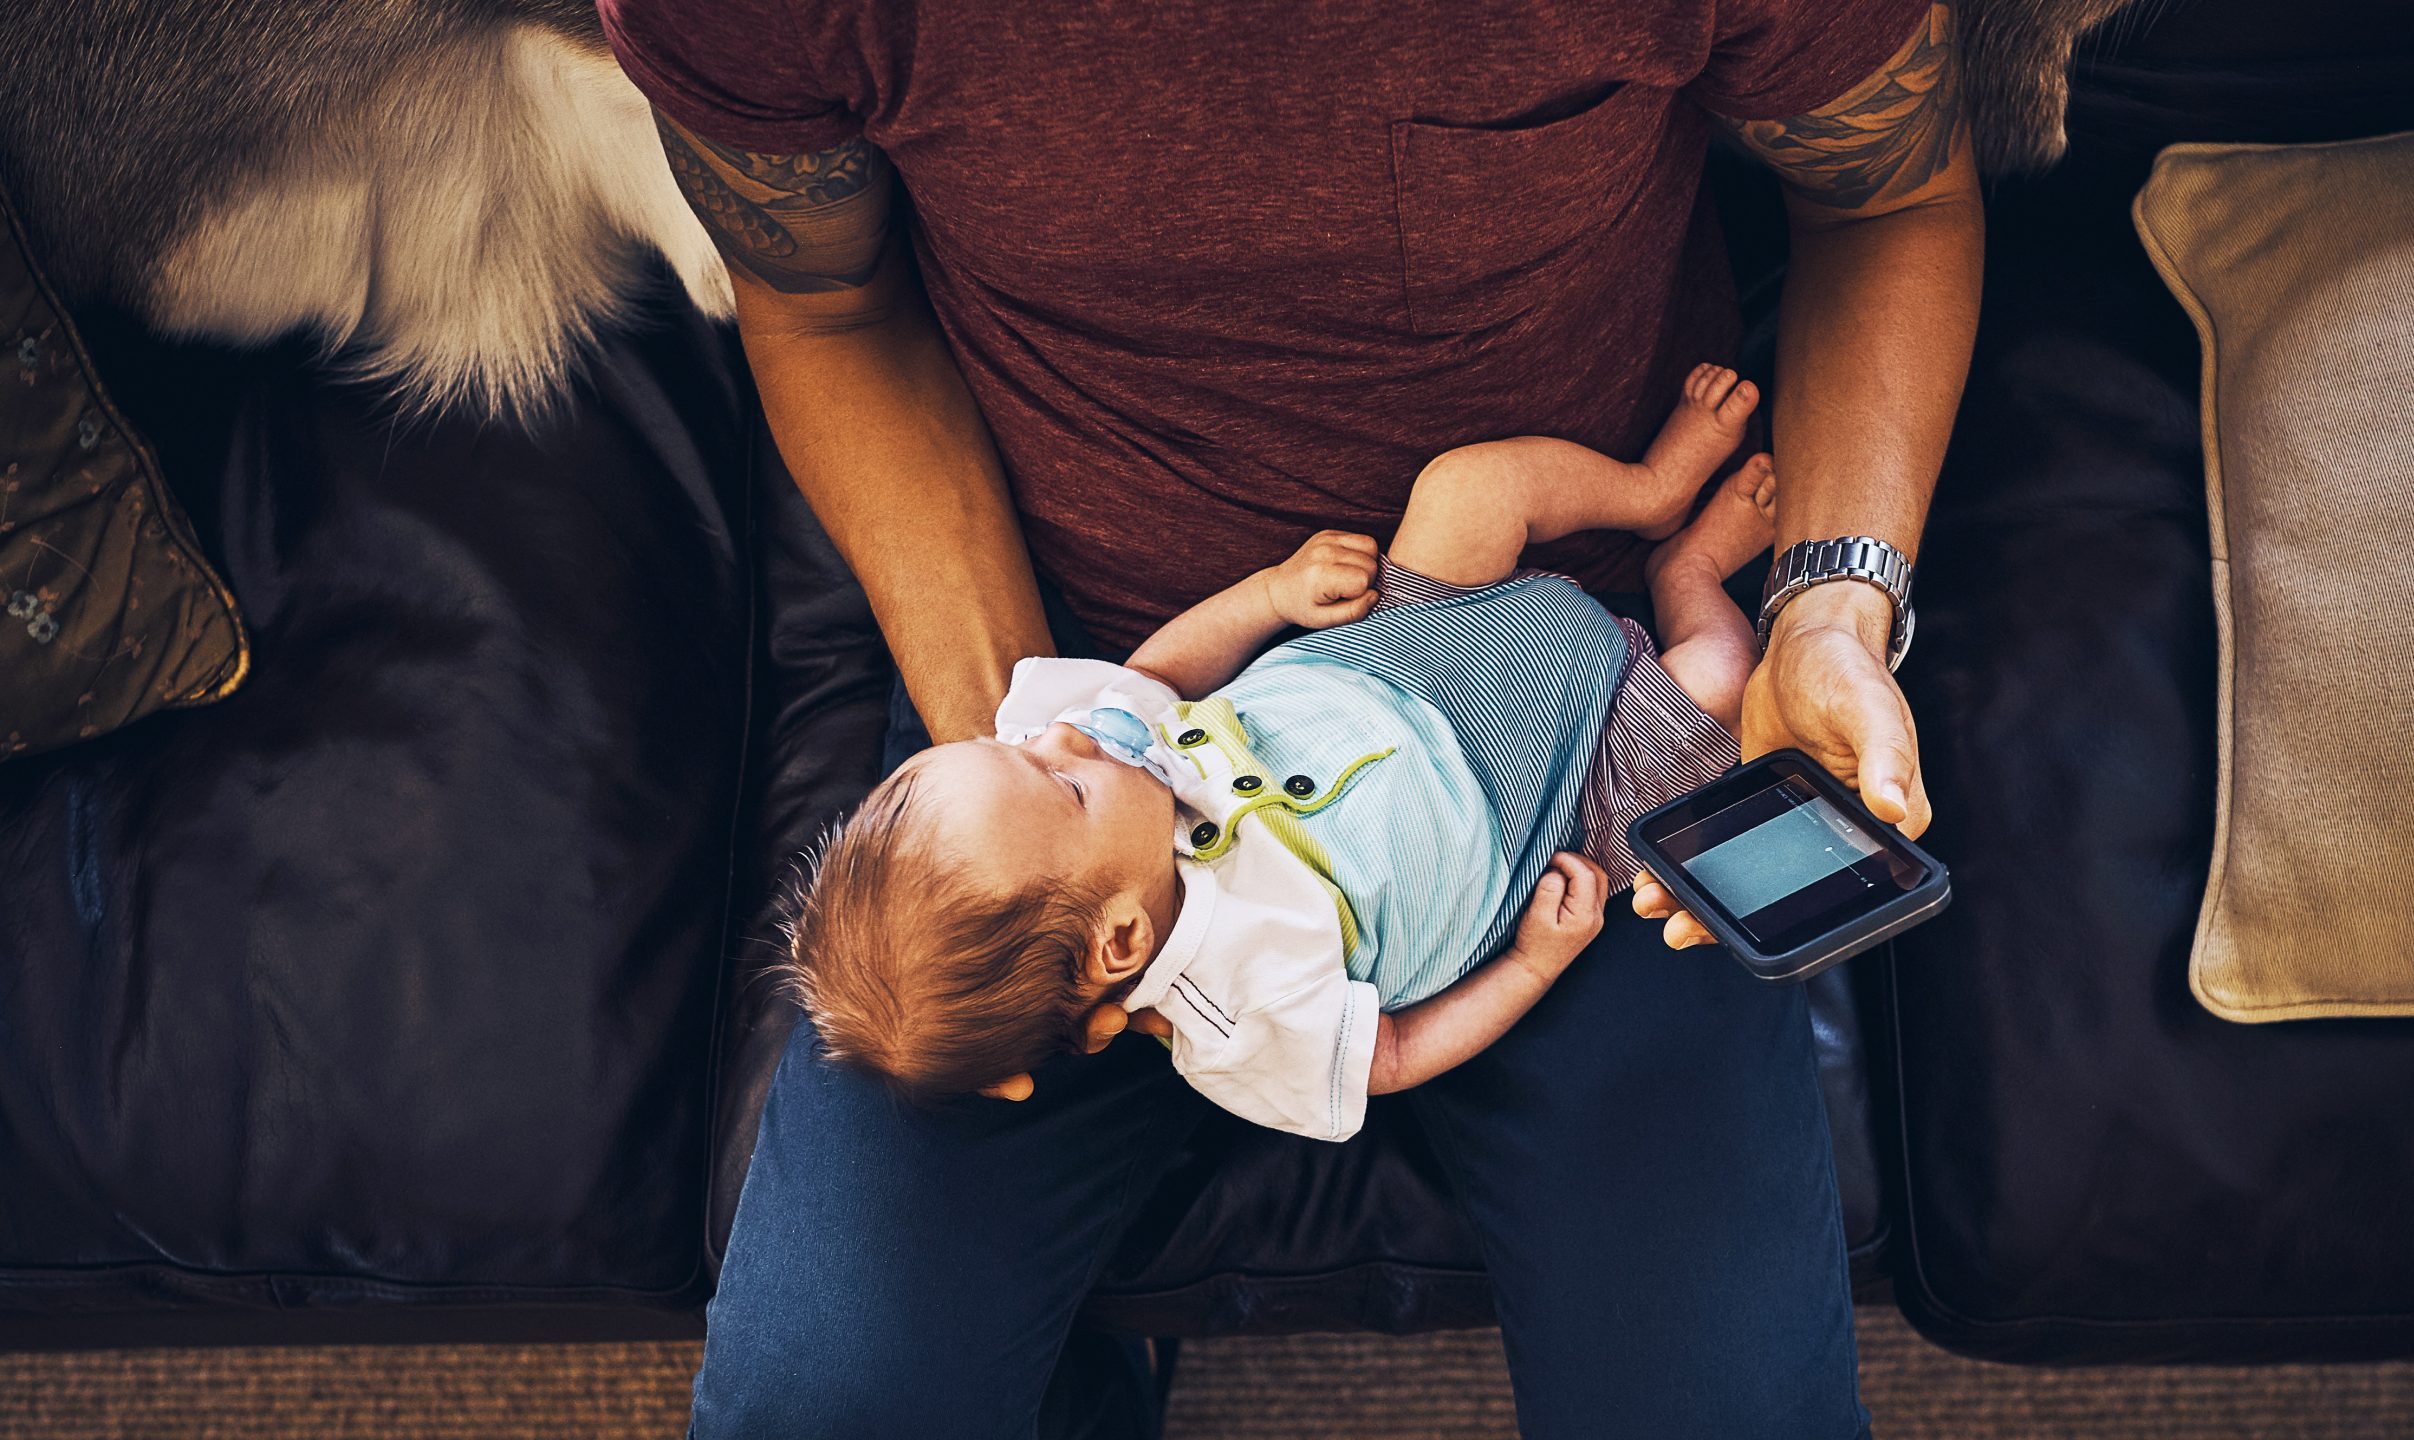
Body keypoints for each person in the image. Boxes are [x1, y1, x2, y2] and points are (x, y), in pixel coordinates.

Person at [601, 0, 1980, 1433]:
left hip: (1569, 699)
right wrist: (1031, 788)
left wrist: (1828, 606)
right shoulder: (1053, 781)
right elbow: (823, 298)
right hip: (1056, 664)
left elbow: (1887, 193)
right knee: (823, 1405)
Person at [789, 366, 1773, 1132]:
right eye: (1059, 781)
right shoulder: (1231, 1020)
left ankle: (1647, 493)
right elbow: (1384, 1058)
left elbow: (1157, 675)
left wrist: (1269, 595)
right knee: (1719, 688)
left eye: (1012, 747)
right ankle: (1684, 569)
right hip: (1552, 798)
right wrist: (1532, 965)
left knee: (1469, 489)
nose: (1059, 731)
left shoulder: (1097, 759)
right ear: (1121, 940)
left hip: (1403, 649)